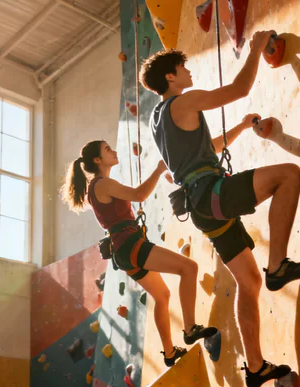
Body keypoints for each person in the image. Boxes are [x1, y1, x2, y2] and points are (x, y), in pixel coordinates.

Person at [139, 30, 300, 387]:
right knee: (288, 175)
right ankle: (279, 265)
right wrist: (254, 49)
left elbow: (209, 146)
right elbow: (239, 89)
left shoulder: (159, 120)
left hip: (202, 205)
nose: (189, 72)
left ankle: (255, 367)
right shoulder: (182, 102)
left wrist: (239, 126)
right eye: (183, 67)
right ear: (170, 77)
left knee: (248, 282)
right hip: (212, 193)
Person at [61, 140, 218, 367]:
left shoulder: (97, 187)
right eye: (107, 150)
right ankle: (190, 328)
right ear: (97, 160)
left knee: (162, 296)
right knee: (189, 268)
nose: (113, 151)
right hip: (130, 245)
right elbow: (140, 194)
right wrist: (158, 169)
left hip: (126, 250)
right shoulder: (101, 184)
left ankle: (169, 352)